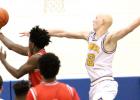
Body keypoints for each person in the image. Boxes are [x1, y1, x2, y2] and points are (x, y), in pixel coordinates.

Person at [21, 14, 140, 100]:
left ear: (103, 22)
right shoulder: (90, 36)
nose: (93, 20)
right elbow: (63, 33)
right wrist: (39, 32)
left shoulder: (109, 38)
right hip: (94, 85)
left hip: (105, 84)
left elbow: (128, 29)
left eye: (96, 18)